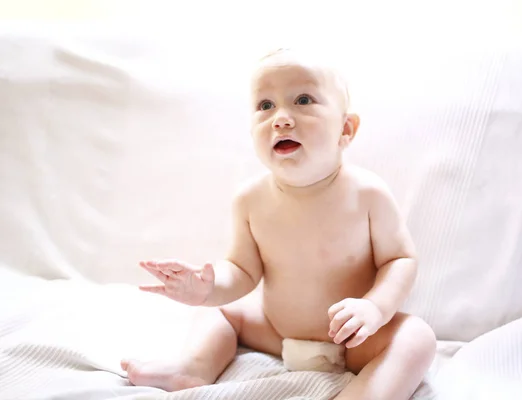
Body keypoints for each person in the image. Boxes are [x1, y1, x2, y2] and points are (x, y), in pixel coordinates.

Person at [120, 48, 436, 400]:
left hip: (353, 340)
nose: (281, 118)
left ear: (345, 129)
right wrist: (208, 289)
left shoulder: (368, 194)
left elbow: (400, 259)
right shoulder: (250, 200)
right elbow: (241, 270)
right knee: (221, 311)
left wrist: (375, 308)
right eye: (265, 105)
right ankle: (194, 368)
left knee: (417, 338)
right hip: (275, 331)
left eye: (303, 100)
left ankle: (365, 393)